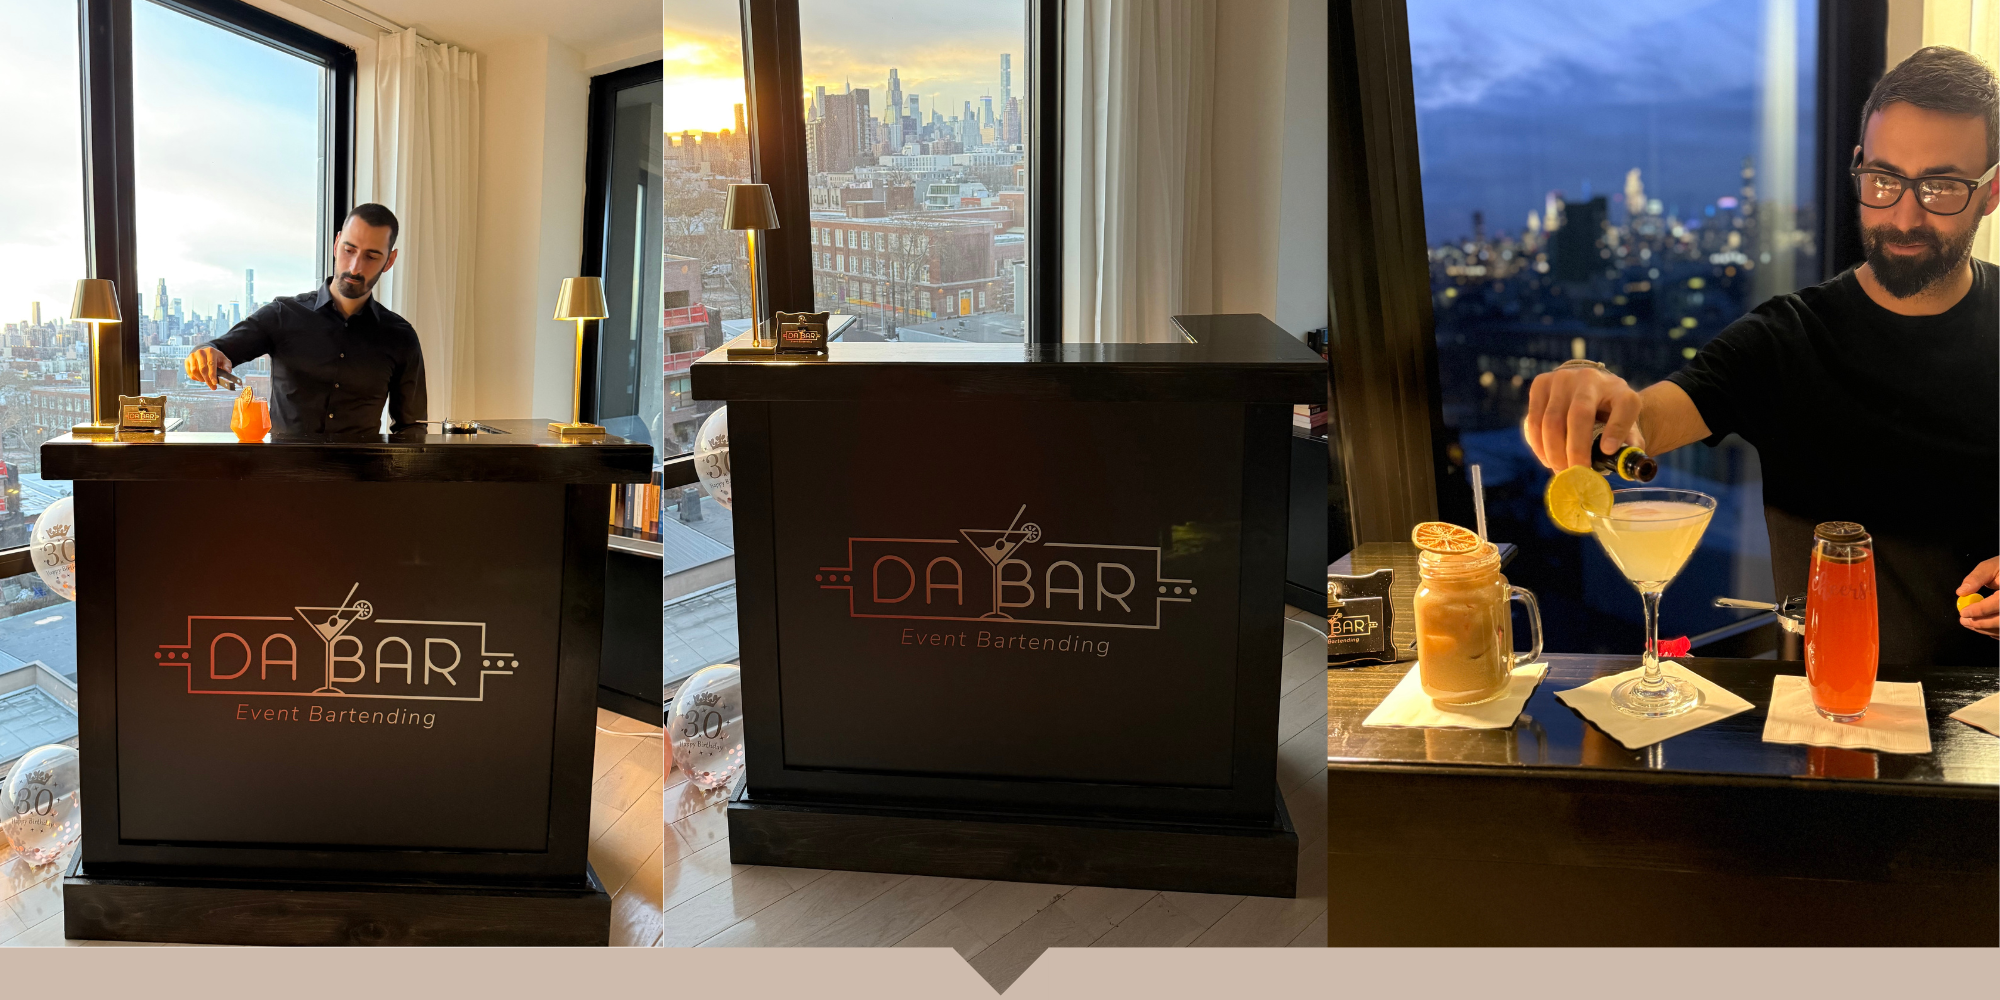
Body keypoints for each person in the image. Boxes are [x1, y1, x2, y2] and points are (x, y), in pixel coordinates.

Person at [1524, 45, 1998, 668]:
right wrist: (1590, 388)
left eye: (1941, 187)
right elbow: (1646, 420)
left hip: (1984, 719)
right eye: (1883, 180)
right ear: (1858, 168)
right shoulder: (1787, 337)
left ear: (1991, 193)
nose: (1904, 214)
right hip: (1825, 710)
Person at [185, 203, 426, 436]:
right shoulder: (282, 314)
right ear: (336, 244)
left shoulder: (401, 336)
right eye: (348, 250)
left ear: (390, 261)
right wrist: (205, 351)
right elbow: (219, 349)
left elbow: (411, 427)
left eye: (371, 256)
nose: (354, 267)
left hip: (361, 476)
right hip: (282, 474)